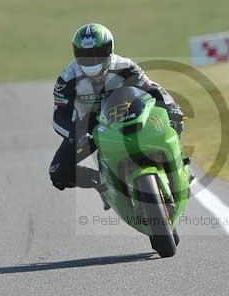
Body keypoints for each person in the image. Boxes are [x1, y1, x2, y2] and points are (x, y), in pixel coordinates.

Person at [49, 23, 184, 191]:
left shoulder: (125, 66)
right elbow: (59, 117)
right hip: (90, 125)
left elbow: (152, 89)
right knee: (58, 173)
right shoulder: (66, 79)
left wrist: (171, 107)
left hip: (129, 110)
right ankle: (103, 183)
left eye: (98, 55)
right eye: (85, 56)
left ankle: (178, 164)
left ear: (109, 50)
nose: (92, 62)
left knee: (174, 122)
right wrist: (74, 133)